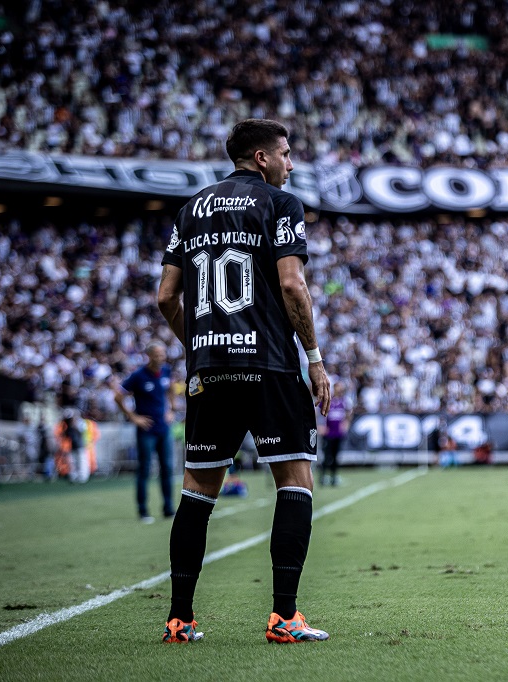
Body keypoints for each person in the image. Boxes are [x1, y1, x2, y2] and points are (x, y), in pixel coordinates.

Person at [157, 118, 332, 644]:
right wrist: (316, 359)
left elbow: (166, 297)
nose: (291, 163)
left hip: (209, 370)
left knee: (198, 493)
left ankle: (180, 620)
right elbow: (291, 283)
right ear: (261, 158)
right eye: (285, 153)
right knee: (295, 483)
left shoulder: (190, 210)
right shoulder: (282, 204)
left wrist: (200, 346)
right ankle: (284, 617)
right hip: (270, 365)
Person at [114, 343, 175, 522]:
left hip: (163, 428)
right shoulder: (138, 376)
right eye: (157, 355)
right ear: (149, 356)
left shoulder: (166, 371)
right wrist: (133, 417)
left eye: (163, 354)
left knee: (167, 469)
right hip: (146, 430)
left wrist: (170, 409)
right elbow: (118, 397)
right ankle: (143, 511)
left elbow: (171, 388)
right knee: (144, 470)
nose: (161, 358)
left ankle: (169, 508)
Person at [319, 381, 348, 487]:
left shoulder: (343, 401)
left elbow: (348, 414)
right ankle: (323, 477)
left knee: (336, 457)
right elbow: (319, 413)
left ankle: (333, 477)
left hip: (338, 434)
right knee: (327, 456)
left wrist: (345, 424)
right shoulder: (327, 401)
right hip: (328, 433)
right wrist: (321, 426)